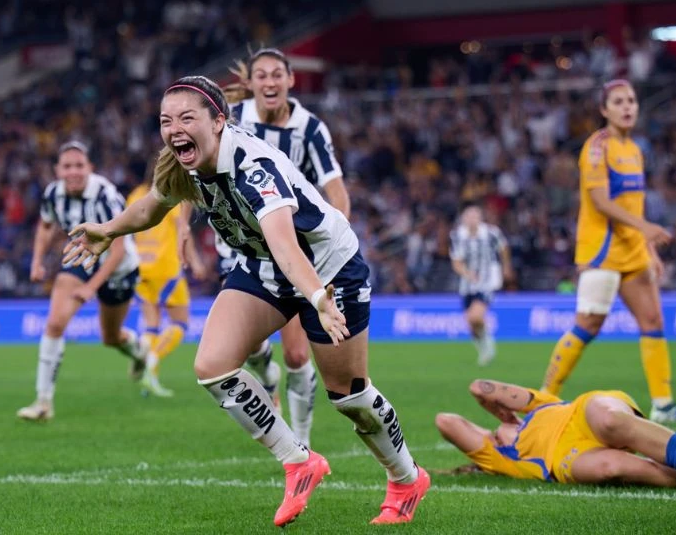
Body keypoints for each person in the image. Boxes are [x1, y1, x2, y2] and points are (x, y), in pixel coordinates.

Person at [63, 76, 430, 527]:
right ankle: (300, 461)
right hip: (264, 265)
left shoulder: (253, 166)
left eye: (186, 118)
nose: (174, 128)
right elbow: (152, 207)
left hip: (328, 268)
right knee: (212, 365)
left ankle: (407, 478)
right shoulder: (183, 162)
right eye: (165, 120)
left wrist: (316, 296)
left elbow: (287, 245)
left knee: (349, 397)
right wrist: (109, 229)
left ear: (218, 121)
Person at [207, 46, 350, 448]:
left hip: (289, 252)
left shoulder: (310, 130)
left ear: (290, 79)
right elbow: (194, 169)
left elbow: (335, 187)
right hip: (238, 250)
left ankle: (301, 445)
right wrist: (184, 229)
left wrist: (336, 239)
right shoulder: (231, 122)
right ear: (250, 84)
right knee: (249, 347)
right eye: (262, 76)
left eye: (277, 75)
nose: (269, 82)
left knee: (298, 356)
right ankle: (265, 376)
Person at [540, 79, 676, 424]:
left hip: (633, 251)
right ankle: (544, 399)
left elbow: (634, 204)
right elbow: (600, 201)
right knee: (588, 325)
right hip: (601, 250)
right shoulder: (597, 148)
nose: (627, 106)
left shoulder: (634, 149)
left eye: (631, 100)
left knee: (653, 320)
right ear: (604, 110)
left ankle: (663, 405)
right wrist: (645, 228)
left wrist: (648, 247)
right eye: (618, 101)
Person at [435, 378, 676, 490]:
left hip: (584, 414)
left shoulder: (540, 407)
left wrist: (497, 408)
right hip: (565, 460)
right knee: (610, 467)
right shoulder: (499, 457)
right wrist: (495, 431)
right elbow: (446, 421)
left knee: (612, 422)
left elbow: (478, 387)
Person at [17, 141, 147, 421]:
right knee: (54, 324)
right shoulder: (53, 193)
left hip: (118, 269)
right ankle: (43, 402)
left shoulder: (105, 196)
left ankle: (139, 353)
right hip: (81, 261)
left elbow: (119, 249)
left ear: (90, 168)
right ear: (57, 170)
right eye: (67, 166)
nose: (73, 172)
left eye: (79, 165)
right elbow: (46, 224)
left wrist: (92, 286)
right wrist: (37, 260)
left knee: (111, 338)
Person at [126, 162, 206, 397]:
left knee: (151, 324)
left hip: (140, 268)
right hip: (166, 269)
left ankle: (148, 368)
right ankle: (152, 358)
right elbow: (183, 230)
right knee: (180, 322)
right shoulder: (169, 194)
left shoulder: (134, 196)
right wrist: (196, 262)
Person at [449, 202, 512, 366]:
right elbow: (456, 262)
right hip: (467, 284)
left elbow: (504, 248)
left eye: (475, 216)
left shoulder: (491, 233)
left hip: (488, 280)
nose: (472, 219)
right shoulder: (458, 236)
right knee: (471, 324)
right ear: (463, 219)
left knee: (475, 316)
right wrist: (467, 274)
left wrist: (506, 267)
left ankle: (488, 342)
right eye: (468, 216)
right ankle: (483, 347)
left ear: (480, 218)